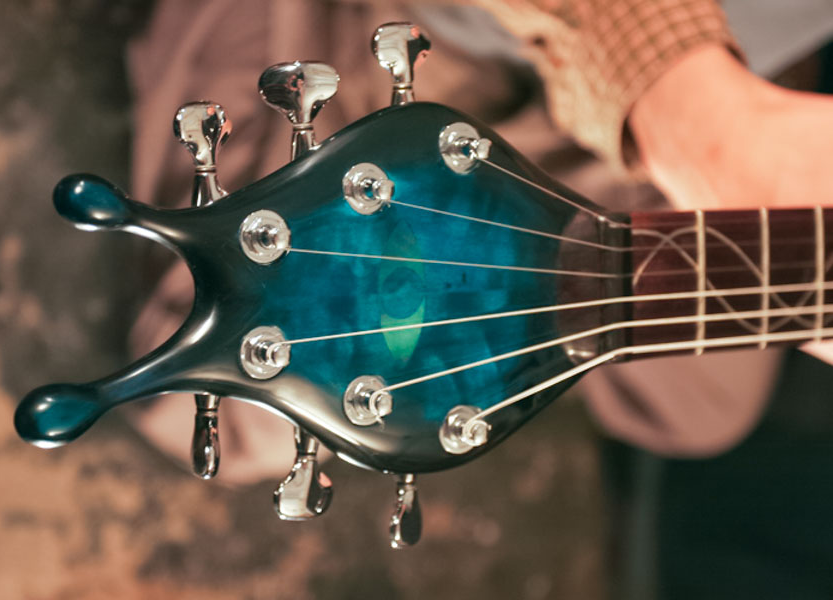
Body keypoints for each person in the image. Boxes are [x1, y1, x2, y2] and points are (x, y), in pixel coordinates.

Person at [125, 1, 833, 596]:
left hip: (753, 70)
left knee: (707, 404)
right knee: (263, 333)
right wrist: (704, 120)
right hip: (501, 37)